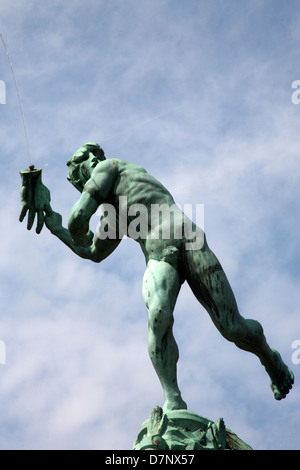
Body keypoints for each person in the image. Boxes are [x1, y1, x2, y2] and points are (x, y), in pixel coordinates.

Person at [20, 142, 294, 411]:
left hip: (187, 238)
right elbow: (93, 250)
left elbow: (79, 220)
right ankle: (173, 397)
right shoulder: (114, 215)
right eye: (81, 164)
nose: (89, 162)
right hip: (159, 256)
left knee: (232, 327)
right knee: (158, 316)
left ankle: (270, 359)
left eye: (89, 157)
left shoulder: (110, 167)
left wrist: (61, 217)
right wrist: (54, 224)